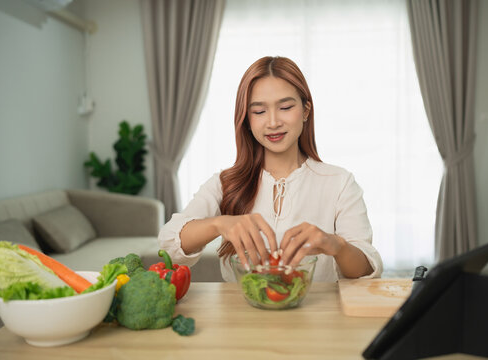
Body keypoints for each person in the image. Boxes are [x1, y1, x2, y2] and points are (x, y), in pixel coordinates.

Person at [158, 56, 383, 282]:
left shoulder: (339, 182)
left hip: (317, 314)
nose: (273, 122)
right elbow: (169, 244)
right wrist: (219, 224)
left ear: (306, 111)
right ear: (246, 119)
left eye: (285, 107)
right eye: (259, 112)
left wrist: (335, 245)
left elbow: (366, 271)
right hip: (241, 314)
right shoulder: (225, 183)